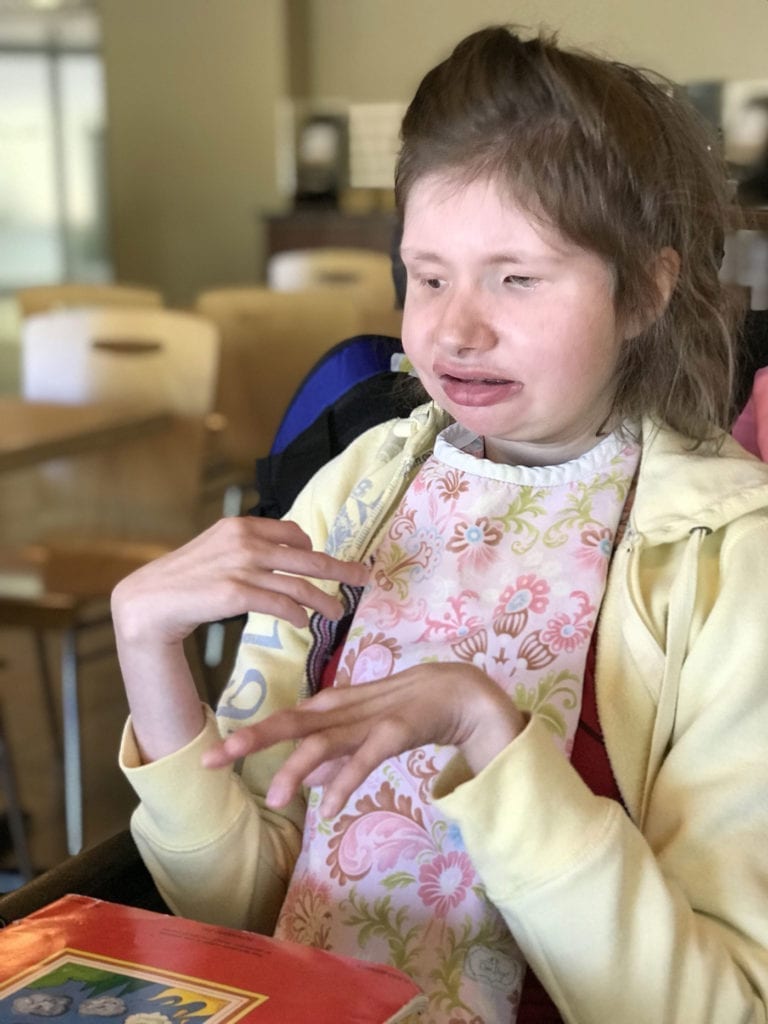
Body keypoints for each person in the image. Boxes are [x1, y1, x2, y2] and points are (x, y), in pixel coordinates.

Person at [112, 25, 768, 1024]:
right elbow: (248, 906)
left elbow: (717, 1005)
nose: (456, 328)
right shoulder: (357, 488)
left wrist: (489, 736)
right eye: (428, 275)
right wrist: (149, 652)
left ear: (646, 290)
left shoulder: (726, 559)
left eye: (516, 277)